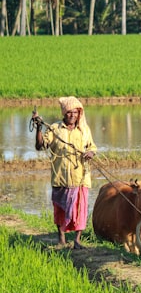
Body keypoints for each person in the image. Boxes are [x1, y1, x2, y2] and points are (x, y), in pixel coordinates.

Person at [33, 96, 97, 249]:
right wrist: (38, 128)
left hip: (81, 177)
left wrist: (90, 153)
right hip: (61, 177)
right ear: (64, 113)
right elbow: (40, 146)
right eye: (69, 112)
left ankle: (77, 240)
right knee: (60, 208)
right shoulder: (55, 129)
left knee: (80, 209)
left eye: (75, 112)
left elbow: (92, 147)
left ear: (79, 114)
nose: (72, 115)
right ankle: (61, 238)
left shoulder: (84, 130)